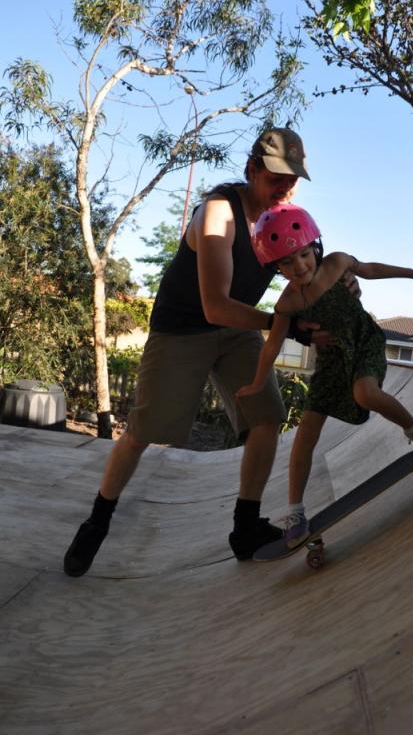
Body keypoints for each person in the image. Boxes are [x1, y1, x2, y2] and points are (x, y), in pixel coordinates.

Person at [63, 128, 356, 577]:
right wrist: (287, 327)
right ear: (253, 169)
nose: (286, 186)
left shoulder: (284, 218)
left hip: (237, 332)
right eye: (277, 176)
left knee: (266, 416)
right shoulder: (218, 212)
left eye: (293, 178)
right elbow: (214, 305)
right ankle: (97, 519)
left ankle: (245, 527)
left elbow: (309, 272)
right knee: (146, 430)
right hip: (183, 331)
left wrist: (343, 281)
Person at [236, 204, 413, 548]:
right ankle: (295, 512)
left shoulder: (336, 263)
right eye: (287, 262)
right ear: (275, 267)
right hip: (330, 363)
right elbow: (272, 344)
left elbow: (371, 269)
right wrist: (258, 383)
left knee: (365, 393)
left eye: (303, 254)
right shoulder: (287, 303)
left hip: (362, 341)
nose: (299, 266)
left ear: (314, 248)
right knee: (305, 433)